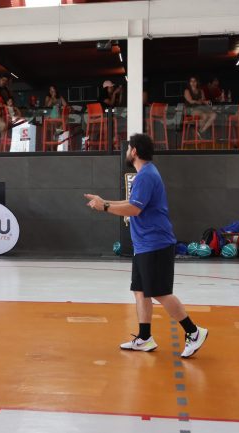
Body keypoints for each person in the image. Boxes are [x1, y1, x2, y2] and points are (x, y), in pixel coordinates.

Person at [84, 134, 208, 358]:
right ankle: (144, 338)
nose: (127, 151)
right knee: (140, 290)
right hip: (144, 245)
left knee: (160, 292)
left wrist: (105, 207)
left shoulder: (146, 176)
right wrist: (105, 202)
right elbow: (131, 203)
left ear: (134, 151)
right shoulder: (146, 173)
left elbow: (134, 209)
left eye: (128, 148)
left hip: (155, 243)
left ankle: (194, 331)